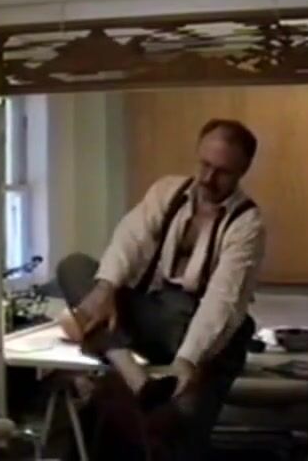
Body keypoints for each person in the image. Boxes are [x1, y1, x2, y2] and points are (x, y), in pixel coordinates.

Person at [56, 118, 265, 459]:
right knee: (74, 267)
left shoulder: (247, 224)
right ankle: (134, 376)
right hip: (150, 315)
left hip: (195, 329)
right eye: (204, 164)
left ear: (242, 172)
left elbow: (221, 301)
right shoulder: (167, 191)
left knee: (178, 431)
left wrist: (186, 361)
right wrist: (105, 290)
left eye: (222, 172)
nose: (208, 178)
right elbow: (129, 239)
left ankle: (121, 361)